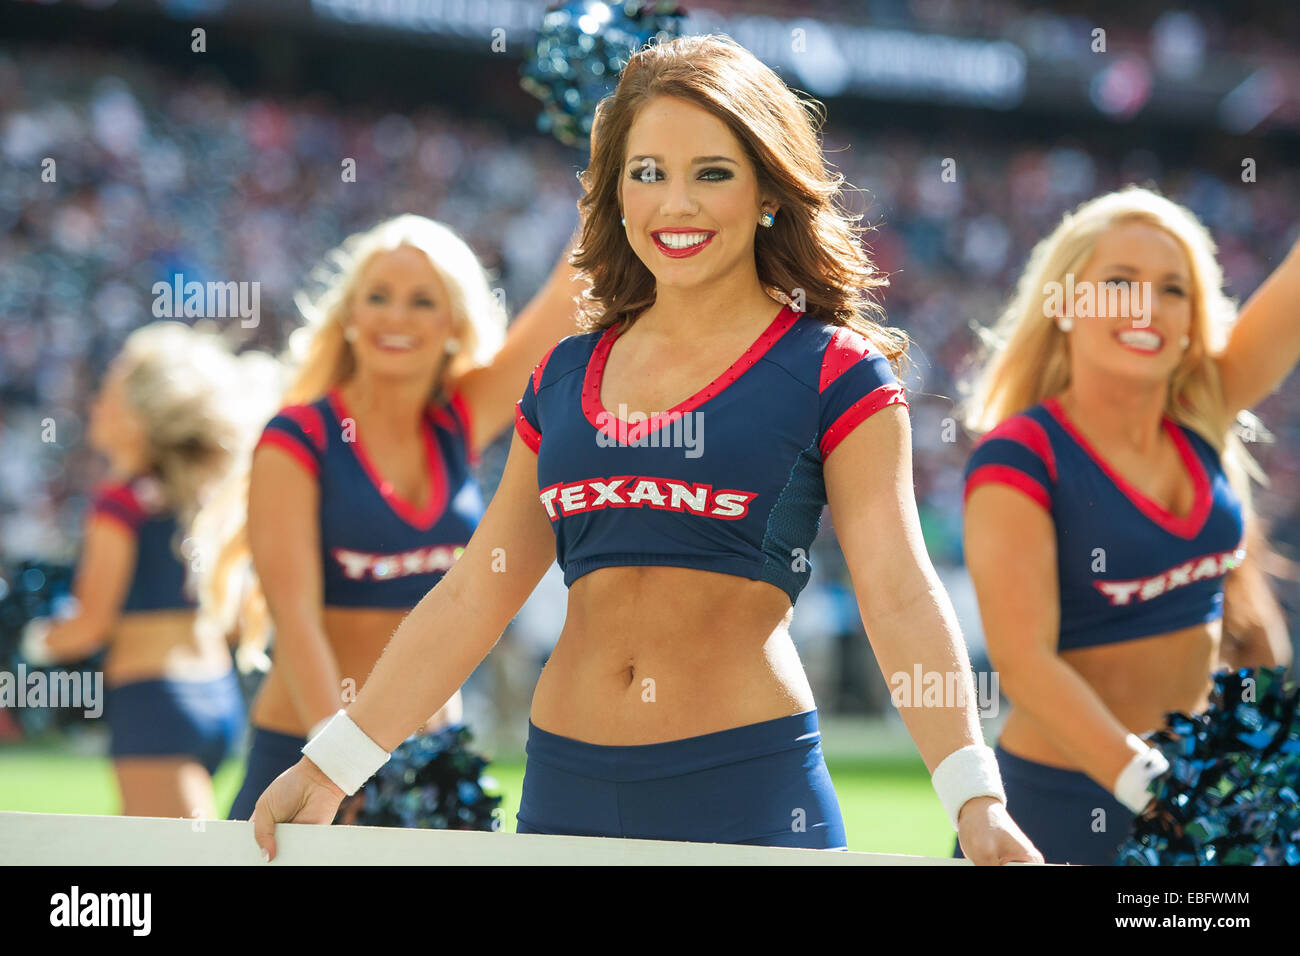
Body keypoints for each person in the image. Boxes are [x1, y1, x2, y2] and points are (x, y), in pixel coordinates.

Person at [250, 35, 1041, 864]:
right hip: (564, 792)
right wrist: (335, 760)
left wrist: (974, 796)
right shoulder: (564, 373)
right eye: (648, 172)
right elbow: (474, 595)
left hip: (749, 794)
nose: (676, 205)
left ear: (770, 190)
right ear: (616, 191)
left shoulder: (834, 369)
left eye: (712, 172)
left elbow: (899, 590)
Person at [958, 185, 1300, 864]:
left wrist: (1259, 766)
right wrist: (1163, 792)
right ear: (1064, 304)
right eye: (1119, 282)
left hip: (1191, 795)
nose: (1147, 305)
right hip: (1058, 808)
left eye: (1174, 289)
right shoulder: (1020, 458)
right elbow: (1024, 665)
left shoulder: (1203, 415)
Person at [216, 214, 587, 820]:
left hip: (432, 756)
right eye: (378, 298)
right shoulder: (298, 439)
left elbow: (565, 302)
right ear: (350, 318)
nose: (396, 317)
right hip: (311, 752)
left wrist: (615, 168)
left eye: (422, 302)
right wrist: (337, 763)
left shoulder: (456, 421)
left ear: (454, 324)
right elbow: (297, 620)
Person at [21, 321, 273, 818]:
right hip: (217, 697)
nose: (95, 405)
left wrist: (33, 639)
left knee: (168, 863)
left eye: (108, 396)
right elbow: (239, 619)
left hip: (153, 702)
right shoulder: (205, 502)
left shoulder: (118, 504)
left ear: (139, 417)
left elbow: (89, 625)